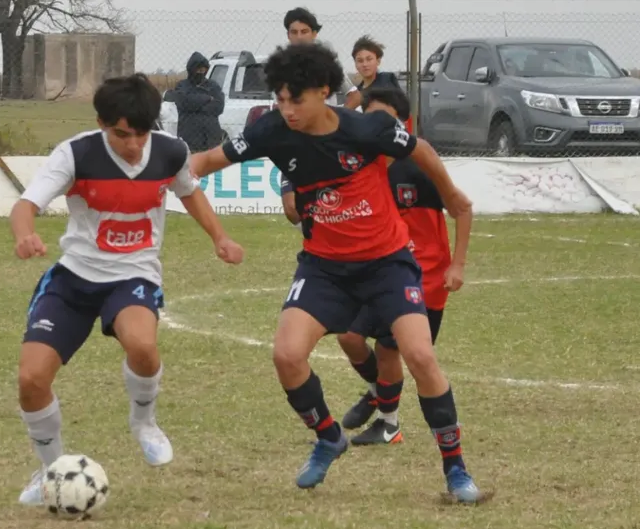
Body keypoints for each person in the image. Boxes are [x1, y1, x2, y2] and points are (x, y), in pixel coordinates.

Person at [189, 43, 486, 504]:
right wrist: (163, 172)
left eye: (296, 100)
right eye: (280, 99)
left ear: (324, 91)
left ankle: (456, 471)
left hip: (388, 265)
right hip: (324, 268)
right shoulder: (271, 130)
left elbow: (421, 149)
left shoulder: (367, 128)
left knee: (420, 357)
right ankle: (328, 437)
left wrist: (451, 193)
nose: (286, 110)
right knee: (287, 356)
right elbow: (205, 162)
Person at [9, 73, 245, 506]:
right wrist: (25, 233)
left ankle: (144, 423)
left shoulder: (171, 152)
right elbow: (26, 204)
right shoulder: (76, 153)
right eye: (121, 134)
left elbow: (189, 193)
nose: (133, 145)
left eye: (140, 134)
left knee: (143, 346)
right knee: (31, 378)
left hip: (134, 275)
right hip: (73, 279)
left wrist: (220, 237)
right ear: (101, 123)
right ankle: (51, 472)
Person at [330, 87, 470, 446]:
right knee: (348, 335)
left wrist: (457, 265)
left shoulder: (419, 166)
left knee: (393, 349)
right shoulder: (359, 165)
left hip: (425, 277)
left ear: (401, 123)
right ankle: (380, 392)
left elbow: (462, 208)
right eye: (368, 116)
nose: (373, 124)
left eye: (383, 118)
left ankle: (388, 423)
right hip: (379, 270)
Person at [283, 7, 361, 110]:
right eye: (294, 32)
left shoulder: (327, 63)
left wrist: (337, 119)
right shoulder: (281, 65)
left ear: (314, 34)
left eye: (304, 31)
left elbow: (355, 96)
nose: (299, 37)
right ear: (288, 35)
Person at [164, 52, 225, 151]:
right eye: (198, 69)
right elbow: (184, 102)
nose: (201, 72)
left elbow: (219, 106)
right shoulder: (182, 86)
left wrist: (195, 107)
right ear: (191, 70)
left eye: (203, 69)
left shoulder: (213, 86)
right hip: (190, 139)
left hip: (211, 138)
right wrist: (207, 98)